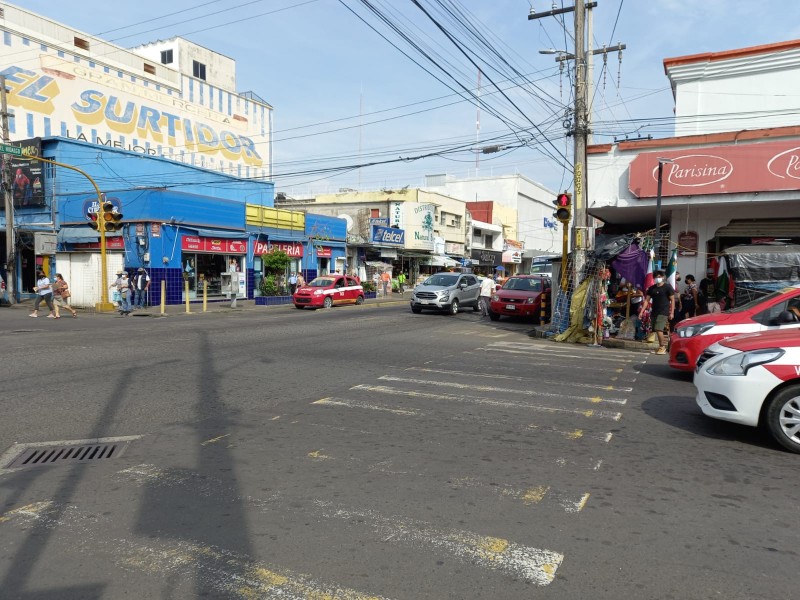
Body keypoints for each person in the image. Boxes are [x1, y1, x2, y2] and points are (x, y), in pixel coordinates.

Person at [640, 269, 675, 355]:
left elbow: (673, 300)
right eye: (656, 277)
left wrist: (672, 312)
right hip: (654, 311)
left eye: (659, 277)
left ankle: (662, 347)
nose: (657, 278)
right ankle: (662, 346)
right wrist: (641, 311)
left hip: (663, 311)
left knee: (659, 329)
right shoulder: (652, 288)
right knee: (655, 329)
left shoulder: (667, 287)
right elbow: (646, 300)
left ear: (663, 277)